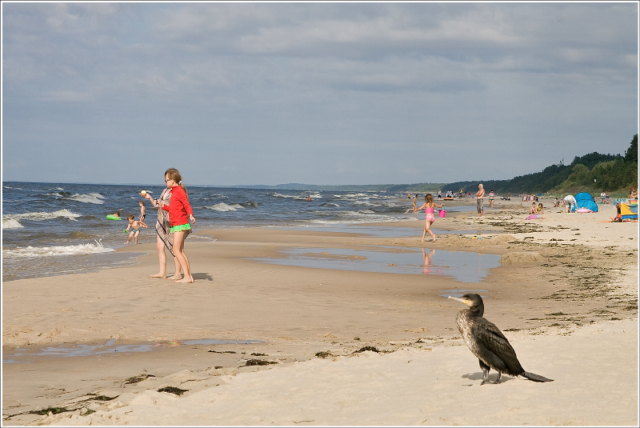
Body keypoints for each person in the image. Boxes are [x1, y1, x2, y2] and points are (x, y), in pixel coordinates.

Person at [160, 168, 196, 283]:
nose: (165, 183)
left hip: (180, 223)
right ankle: (189, 276)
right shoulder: (173, 192)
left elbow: (186, 204)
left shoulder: (179, 191)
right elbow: (173, 209)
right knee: (180, 250)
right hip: (176, 224)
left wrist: (190, 215)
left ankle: (186, 276)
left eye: (166, 180)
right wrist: (162, 206)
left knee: (176, 250)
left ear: (173, 180)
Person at [141, 187, 182, 280]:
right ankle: (162, 272)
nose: (165, 182)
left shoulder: (177, 191)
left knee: (174, 248)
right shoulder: (165, 191)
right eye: (165, 180)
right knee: (160, 247)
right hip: (161, 221)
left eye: (167, 179)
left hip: (171, 222)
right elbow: (157, 205)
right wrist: (150, 198)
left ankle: (178, 273)